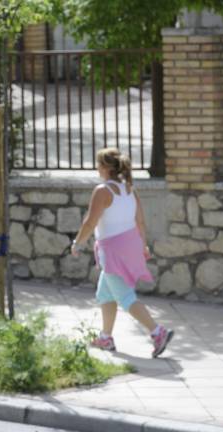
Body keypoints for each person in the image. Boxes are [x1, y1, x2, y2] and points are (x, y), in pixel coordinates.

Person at [71, 148, 174, 358]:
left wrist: (77, 243)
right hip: (130, 244)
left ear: (107, 167)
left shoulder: (102, 191)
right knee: (105, 294)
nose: (97, 168)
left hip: (113, 250)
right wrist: (143, 246)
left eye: (99, 164)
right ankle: (106, 337)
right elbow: (140, 222)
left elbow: (90, 222)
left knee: (125, 296)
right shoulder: (129, 189)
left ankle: (157, 332)